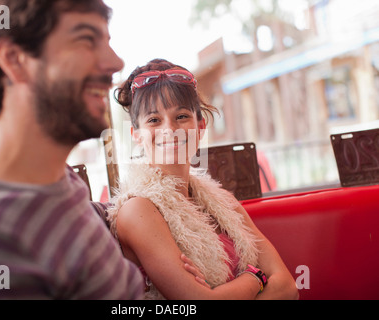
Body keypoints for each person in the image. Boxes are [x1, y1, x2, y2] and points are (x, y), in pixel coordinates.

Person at [0, 0, 145, 300]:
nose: (116, 62)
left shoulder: (55, 180)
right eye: (86, 39)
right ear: (14, 59)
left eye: (107, 42)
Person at [108, 58, 299, 300]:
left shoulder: (224, 202)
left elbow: (288, 287)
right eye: (154, 120)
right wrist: (256, 278)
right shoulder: (138, 210)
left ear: (200, 125)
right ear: (136, 134)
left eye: (182, 116)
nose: (170, 130)